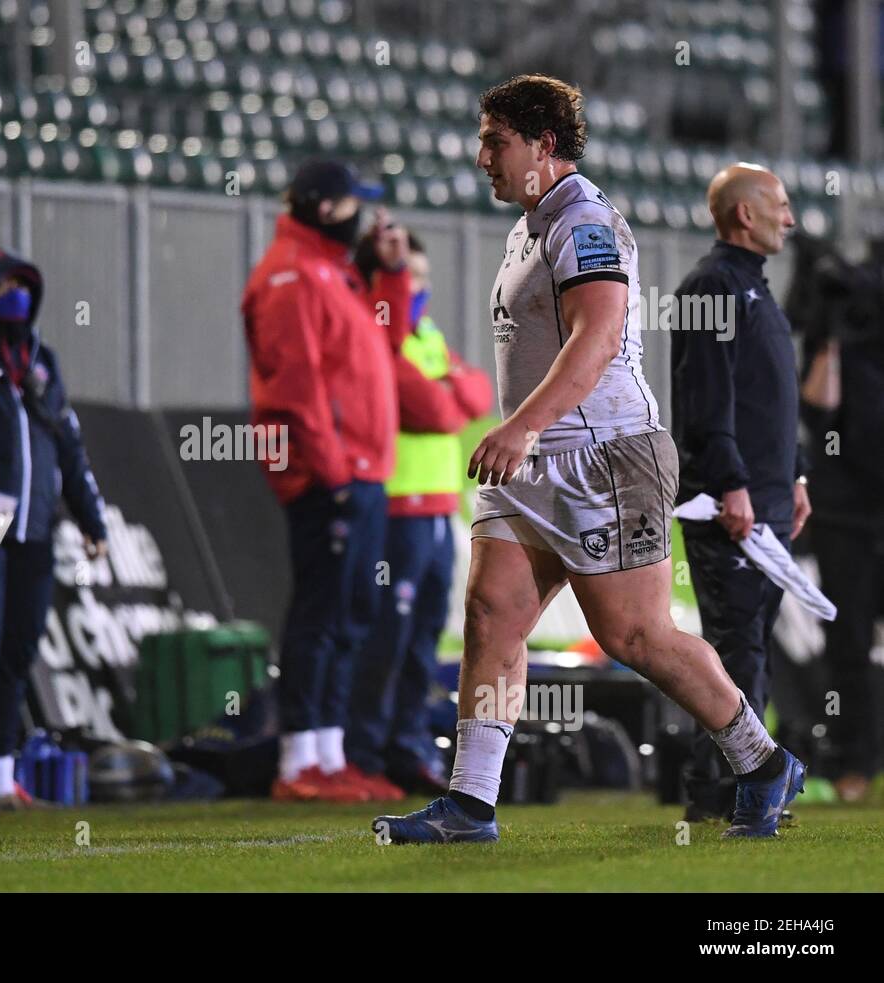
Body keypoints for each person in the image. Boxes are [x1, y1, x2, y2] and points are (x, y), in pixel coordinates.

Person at [376, 75, 804, 844]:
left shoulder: (582, 219)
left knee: (635, 636)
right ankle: (471, 804)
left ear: (543, 146)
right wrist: (528, 436)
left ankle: (761, 759)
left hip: (605, 457)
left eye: (495, 141)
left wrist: (524, 427)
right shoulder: (530, 223)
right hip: (536, 463)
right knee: (489, 616)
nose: (483, 158)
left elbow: (599, 335)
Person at [242, 159, 411, 802]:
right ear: (324, 207)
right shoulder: (291, 274)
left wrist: (391, 274)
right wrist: (334, 471)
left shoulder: (331, 272)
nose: (363, 218)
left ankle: (330, 754)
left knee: (350, 611)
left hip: (361, 468)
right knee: (321, 611)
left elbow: (385, 352)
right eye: (352, 206)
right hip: (330, 472)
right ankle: (298, 761)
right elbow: (296, 390)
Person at [0, 248, 107, 809]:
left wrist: (90, 518)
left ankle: (2, 773)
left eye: (23, 284)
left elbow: (69, 444)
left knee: (16, 650)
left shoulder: (40, 360)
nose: (15, 295)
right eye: (2, 285)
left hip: (34, 526)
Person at [670, 162, 810, 822]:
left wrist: (799, 475)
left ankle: (731, 788)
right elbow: (706, 405)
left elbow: (768, 401)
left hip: (769, 501)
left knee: (750, 644)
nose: (791, 217)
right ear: (744, 215)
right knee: (735, 649)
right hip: (733, 506)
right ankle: (724, 792)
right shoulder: (712, 286)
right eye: (779, 205)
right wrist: (731, 484)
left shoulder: (753, 289)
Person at [346, 232, 494, 797]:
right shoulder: (381, 340)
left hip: (437, 510)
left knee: (424, 639)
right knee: (386, 634)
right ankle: (363, 752)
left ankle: (404, 750)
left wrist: (450, 390)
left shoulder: (424, 336)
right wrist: (448, 390)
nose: (419, 289)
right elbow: (434, 407)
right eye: (410, 277)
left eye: (425, 279)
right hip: (395, 509)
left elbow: (479, 393)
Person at [796, 246, 884, 802]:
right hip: (845, 512)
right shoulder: (835, 342)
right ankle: (855, 760)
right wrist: (830, 331)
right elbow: (815, 409)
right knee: (847, 639)